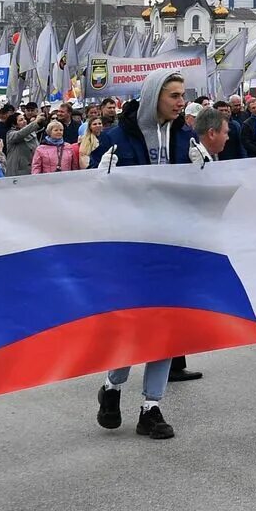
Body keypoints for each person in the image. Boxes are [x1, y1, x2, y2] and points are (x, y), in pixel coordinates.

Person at [90, 69, 199, 428]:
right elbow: (92, 190)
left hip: (173, 246)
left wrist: (205, 172)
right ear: (155, 97)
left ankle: (151, 407)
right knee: (134, 327)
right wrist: (99, 175)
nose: (181, 102)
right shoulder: (117, 137)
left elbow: (200, 192)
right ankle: (112, 385)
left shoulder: (185, 135)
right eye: (174, 96)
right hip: (132, 249)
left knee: (166, 326)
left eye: (182, 95)